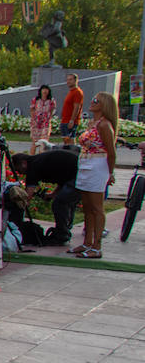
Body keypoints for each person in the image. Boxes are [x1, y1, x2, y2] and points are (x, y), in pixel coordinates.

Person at [70, 92, 117, 259]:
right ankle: (87, 241)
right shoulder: (93, 123)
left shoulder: (104, 125)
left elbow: (111, 153)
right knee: (87, 207)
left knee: (97, 208)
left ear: (104, 105)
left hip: (98, 165)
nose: (92, 102)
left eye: (96, 100)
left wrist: (110, 173)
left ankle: (97, 246)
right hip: (85, 163)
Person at [11, 150, 79, 245]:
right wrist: (52, 194)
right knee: (66, 201)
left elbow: (27, 195)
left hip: (79, 175)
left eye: (18, 170)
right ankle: (64, 230)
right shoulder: (38, 162)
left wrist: (20, 205)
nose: (20, 173)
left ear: (23, 163)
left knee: (60, 203)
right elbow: (63, 180)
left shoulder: (32, 166)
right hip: (77, 172)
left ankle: (62, 236)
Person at [60, 74, 84, 144]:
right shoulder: (71, 92)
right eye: (67, 80)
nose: (68, 81)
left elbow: (77, 107)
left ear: (75, 81)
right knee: (66, 140)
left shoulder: (77, 92)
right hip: (65, 119)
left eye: (70, 79)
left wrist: (72, 120)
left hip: (70, 121)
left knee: (70, 140)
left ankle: (72, 153)